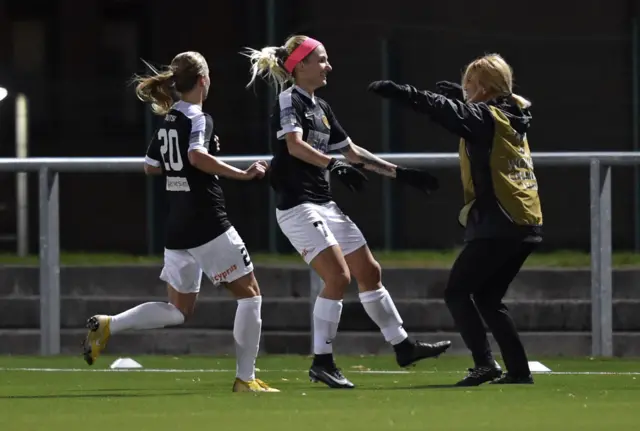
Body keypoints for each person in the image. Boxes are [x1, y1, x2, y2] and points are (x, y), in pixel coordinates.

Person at [242, 35, 451, 389]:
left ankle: (403, 346)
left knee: (369, 271)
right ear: (300, 66)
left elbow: (351, 152)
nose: (329, 66)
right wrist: (333, 165)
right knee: (338, 278)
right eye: (322, 60)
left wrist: (399, 174)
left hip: (323, 203)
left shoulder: (321, 107)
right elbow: (294, 146)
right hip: (297, 205)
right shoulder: (288, 99)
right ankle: (322, 362)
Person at [82, 51, 279, 393]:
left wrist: (180, 173)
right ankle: (245, 379)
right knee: (250, 297)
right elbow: (196, 156)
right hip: (207, 220)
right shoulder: (198, 118)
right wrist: (242, 175)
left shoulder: (168, 119)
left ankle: (109, 325)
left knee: (179, 310)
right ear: (203, 80)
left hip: (178, 224)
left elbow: (150, 166)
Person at [368, 53, 543, 386]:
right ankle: (518, 371)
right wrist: (455, 97)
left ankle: (485, 365)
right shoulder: (513, 112)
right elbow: (465, 113)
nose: (464, 90)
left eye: (468, 85)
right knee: (489, 299)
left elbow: (446, 112)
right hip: (526, 222)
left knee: (457, 292)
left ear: (481, 87)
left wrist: (403, 93)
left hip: (499, 222)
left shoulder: (485, 117)